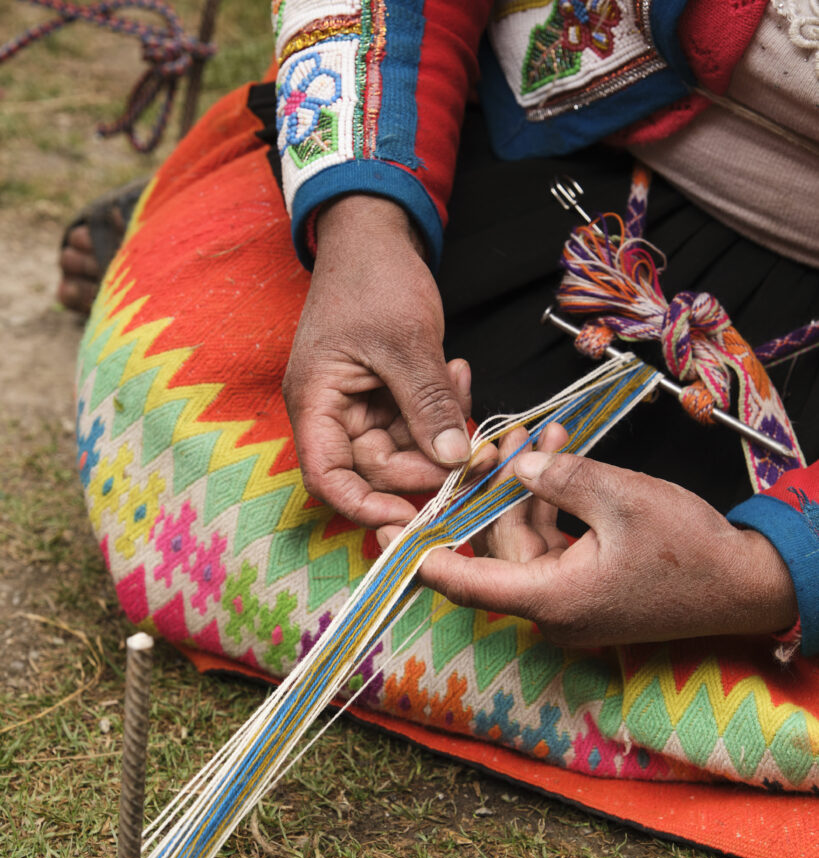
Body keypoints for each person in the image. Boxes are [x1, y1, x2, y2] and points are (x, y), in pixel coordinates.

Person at [73, 0, 819, 804]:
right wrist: (363, 229)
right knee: (190, 418)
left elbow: (771, 567)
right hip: (562, 176)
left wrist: (769, 569)